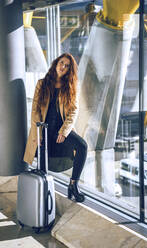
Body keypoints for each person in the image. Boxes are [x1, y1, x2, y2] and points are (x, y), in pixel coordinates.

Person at [23, 53, 88, 203]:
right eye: (62, 63)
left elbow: (74, 111)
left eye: (67, 66)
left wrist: (64, 132)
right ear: (56, 63)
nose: (63, 67)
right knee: (43, 164)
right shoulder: (42, 83)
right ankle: (43, 197)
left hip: (61, 129)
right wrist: (38, 133)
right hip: (44, 129)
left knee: (82, 146)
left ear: (69, 71)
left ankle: (73, 185)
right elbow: (35, 111)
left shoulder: (71, 86)